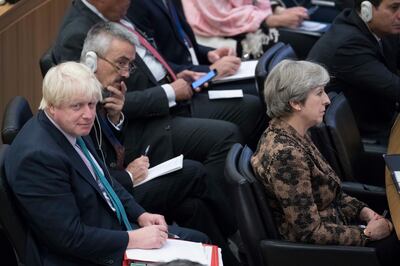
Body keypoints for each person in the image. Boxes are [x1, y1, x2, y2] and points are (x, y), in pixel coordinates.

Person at [4, 62, 208, 266]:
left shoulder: (69, 125)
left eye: (92, 104)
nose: (88, 115)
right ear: (51, 105)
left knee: (198, 233)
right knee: (198, 249)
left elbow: (105, 180)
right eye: (77, 106)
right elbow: (69, 238)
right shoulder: (38, 157)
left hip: (107, 226)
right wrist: (133, 239)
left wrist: (141, 214)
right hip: (81, 256)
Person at [82, 21, 240, 266]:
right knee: (193, 171)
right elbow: (92, 174)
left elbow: (109, 147)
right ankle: (237, 229)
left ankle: (229, 258)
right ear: (91, 62)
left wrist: (115, 118)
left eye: (129, 65)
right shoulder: (80, 104)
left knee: (193, 207)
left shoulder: (106, 96)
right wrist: (128, 176)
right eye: (120, 63)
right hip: (114, 200)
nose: (125, 73)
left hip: (124, 182)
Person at [52, 0, 265, 150]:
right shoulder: (76, 34)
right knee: (226, 135)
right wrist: (167, 92)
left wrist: (174, 74)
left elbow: (150, 58)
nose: (130, 3)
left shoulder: (114, 12)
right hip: (147, 121)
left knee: (253, 106)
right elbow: (101, 100)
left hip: (173, 90)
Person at [251, 59, 400, 266]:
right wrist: (366, 235)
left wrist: (362, 210)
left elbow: (330, 193)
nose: (327, 100)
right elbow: (308, 232)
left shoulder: (293, 132)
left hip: (337, 226)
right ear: (295, 103)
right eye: (319, 93)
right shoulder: (286, 155)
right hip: (322, 251)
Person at [307, 0, 400, 142]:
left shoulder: (379, 29)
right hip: (364, 135)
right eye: (394, 8)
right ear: (366, 9)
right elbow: (395, 88)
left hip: (379, 117)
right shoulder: (349, 45)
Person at [181, 0, 308, 58]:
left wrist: (277, 10)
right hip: (216, 34)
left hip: (248, 23)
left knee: (308, 36)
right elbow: (219, 17)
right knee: (299, 42)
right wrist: (271, 20)